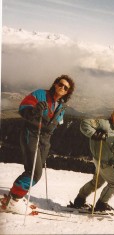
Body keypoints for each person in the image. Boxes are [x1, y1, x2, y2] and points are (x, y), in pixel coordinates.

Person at [0, 75, 75, 214]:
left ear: (67, 92)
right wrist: (34, 111)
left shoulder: (62, 106)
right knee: (34, 172)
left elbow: (57, 122)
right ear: (55, 84)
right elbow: (23, 108)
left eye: (66, 88)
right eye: (60, 84)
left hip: (45, 140)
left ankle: (14, 196)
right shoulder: (40, 94)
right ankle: (14, 201)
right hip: (32, 134)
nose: (62, 88)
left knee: (34, 171)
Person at [70, 107, 114, 213]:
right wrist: (94, 134)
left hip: (105, 160)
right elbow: (85, 123)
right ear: (112, 115)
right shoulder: (105, 124)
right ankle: (101, 205)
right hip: (101, 160)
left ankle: (79, 200)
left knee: (96, 183)